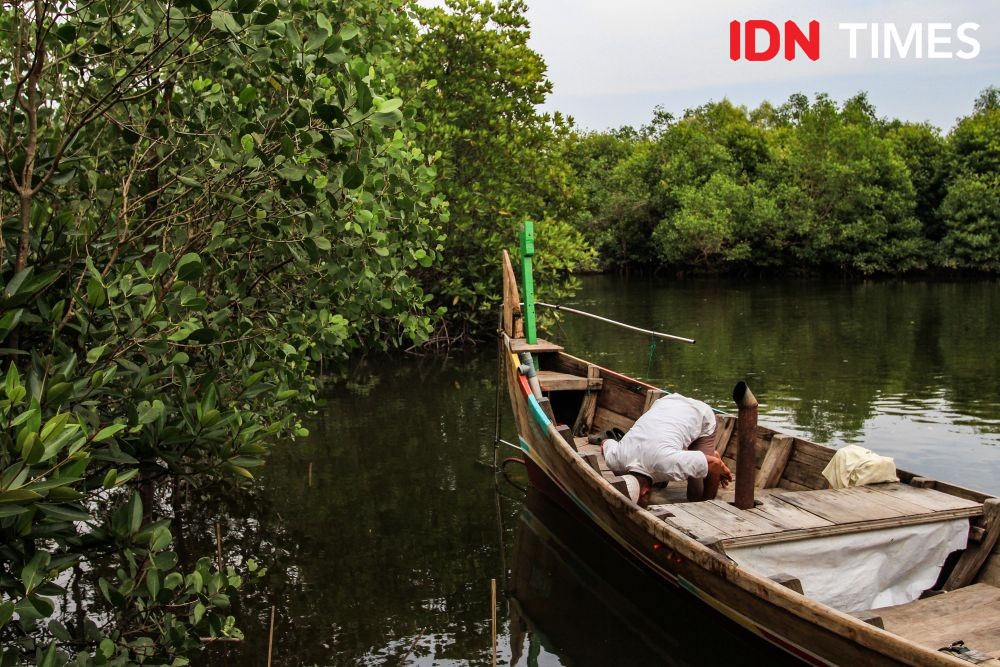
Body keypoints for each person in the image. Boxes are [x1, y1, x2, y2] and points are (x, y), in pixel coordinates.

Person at [602, 393, 732, 505]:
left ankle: (707, 504)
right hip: (665, 403)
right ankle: (696, 456)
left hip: (700, 415)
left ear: (645, 492)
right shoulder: (615, 458)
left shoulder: (667, 464)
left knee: (696, 495)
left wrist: (724, 472)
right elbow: (605, 442)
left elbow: (715, 464)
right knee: (685, 462)